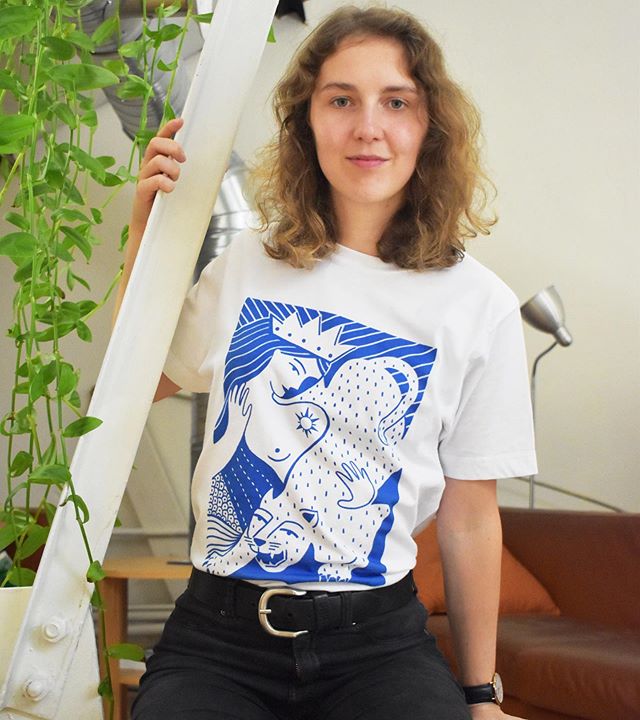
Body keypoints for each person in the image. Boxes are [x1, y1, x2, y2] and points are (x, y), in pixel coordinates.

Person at [119, 6, 537, 719]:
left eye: (396, 102)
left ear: (430, 127)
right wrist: (144, 232)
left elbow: (469, 518)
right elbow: (139, 383)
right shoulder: (248, 263)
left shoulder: (480, 307)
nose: (368, 127)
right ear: (306, 123)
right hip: (217, 639)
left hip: (378, 647)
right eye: (341, 100)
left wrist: (480, 696)